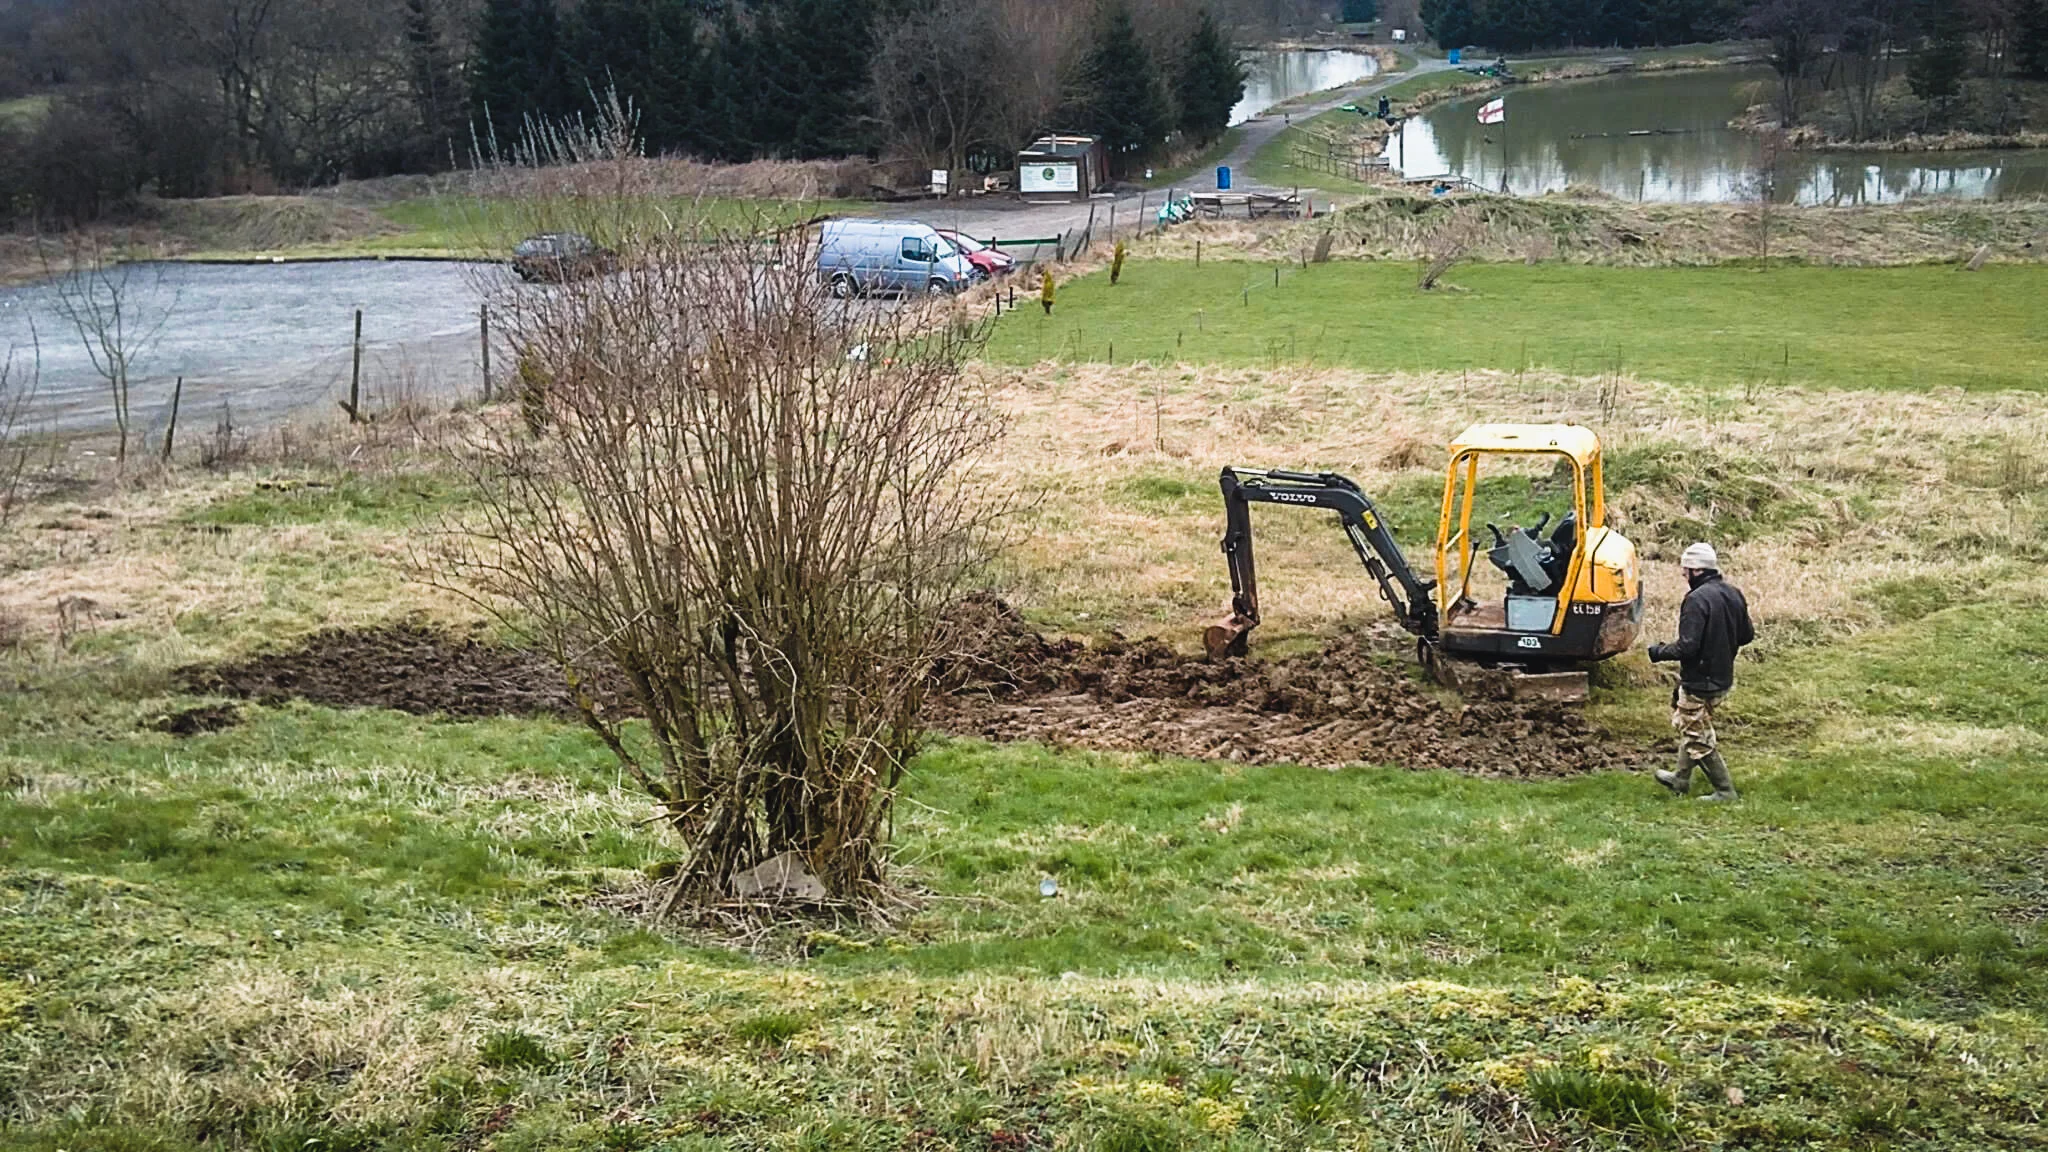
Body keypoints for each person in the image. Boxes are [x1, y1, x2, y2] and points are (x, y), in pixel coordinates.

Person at [1648, 542, 1754, 801]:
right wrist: (1721, 647)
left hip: (1700, 681)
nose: (1683, 576)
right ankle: (1680, 780)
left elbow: (1687, 647)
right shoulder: (1733, 593)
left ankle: (1725, 790)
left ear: (1696, 570)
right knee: (1692, 725)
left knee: (1697, 736)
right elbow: (1747, 635)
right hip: (1723, 677)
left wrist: (1658, 651)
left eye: (1685, 571)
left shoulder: (1696, 600)